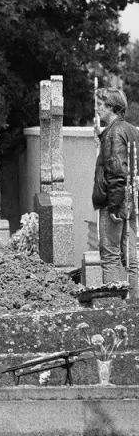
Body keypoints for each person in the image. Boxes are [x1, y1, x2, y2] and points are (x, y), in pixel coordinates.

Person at [92, 87, 139, 299]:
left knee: (110, 256)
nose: (96, 108)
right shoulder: (132, 130)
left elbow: (118, 171)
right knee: (132, 257)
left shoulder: (113, 133)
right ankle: (134, 308)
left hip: (116, 202)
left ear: (111, 106)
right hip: (133, 198)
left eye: (100, 104)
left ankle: (113, 310)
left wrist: (114, 205)